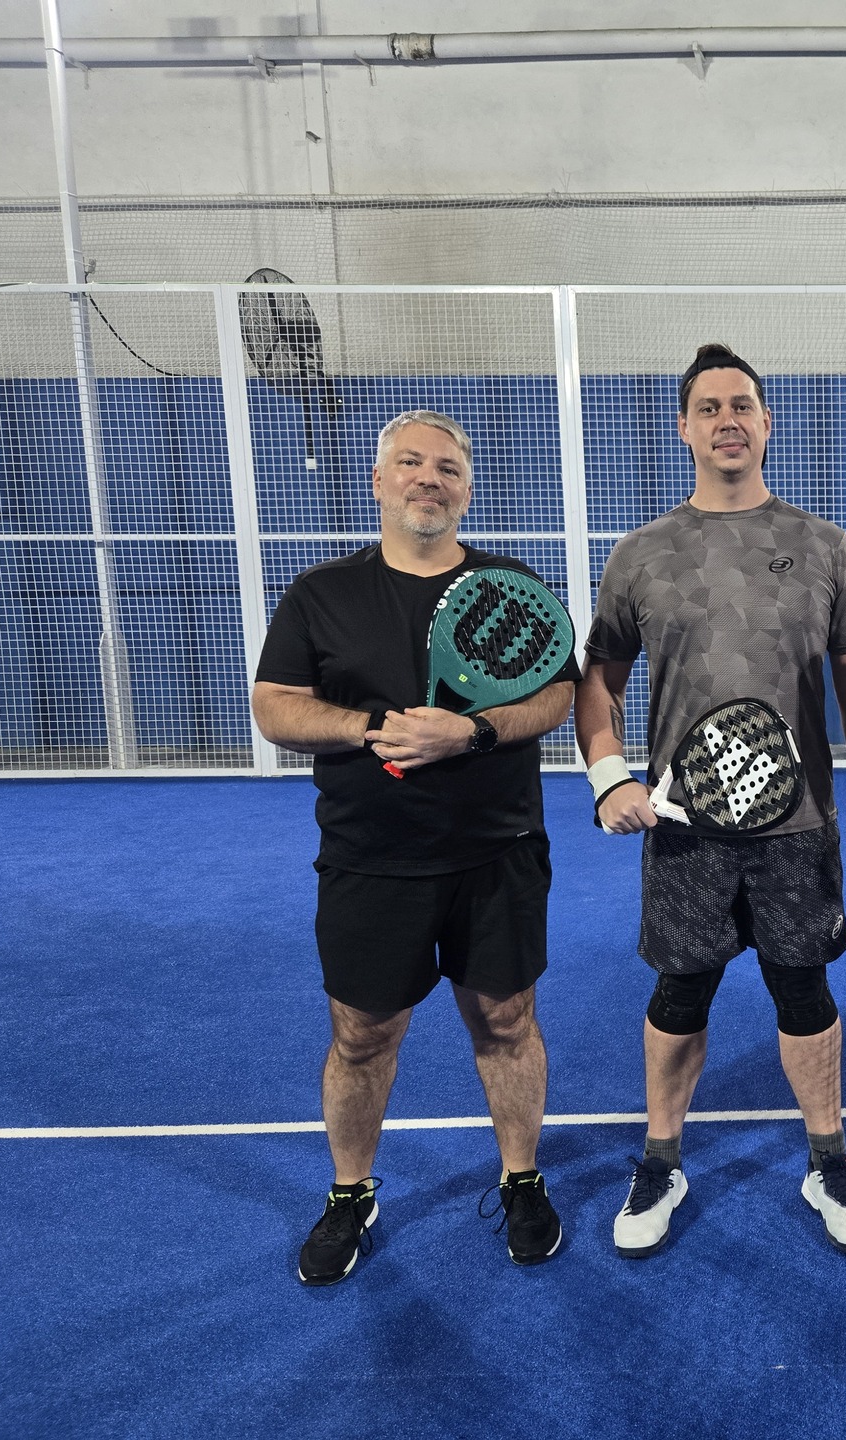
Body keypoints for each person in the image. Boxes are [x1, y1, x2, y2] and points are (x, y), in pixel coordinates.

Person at [576, 343, 846, 1259]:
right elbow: (598, 680)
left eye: (742, 405)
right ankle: (660, 1160)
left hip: (800, 827)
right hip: (686, 827)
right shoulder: (641, 553)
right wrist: (609, 776)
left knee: (804, 987)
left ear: (766, 422)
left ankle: (828, 1158)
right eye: (709, 407)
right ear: (684, 427)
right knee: (681, 990)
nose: (727, 421)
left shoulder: (824, 546)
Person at [253, 409, 578, 1285]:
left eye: (448, 468)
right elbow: (275, 705)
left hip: (498, 852)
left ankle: (521, 1179)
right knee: (362, 1034)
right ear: (379, 481)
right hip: (369, 858)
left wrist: (470, 732)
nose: (429, 478)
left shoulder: (509, 585)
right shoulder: (320, 595)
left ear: (466, 491)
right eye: (410, 463)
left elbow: (557, 694)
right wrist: (374, 728)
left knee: (507, 1020)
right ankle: (350, 1194)